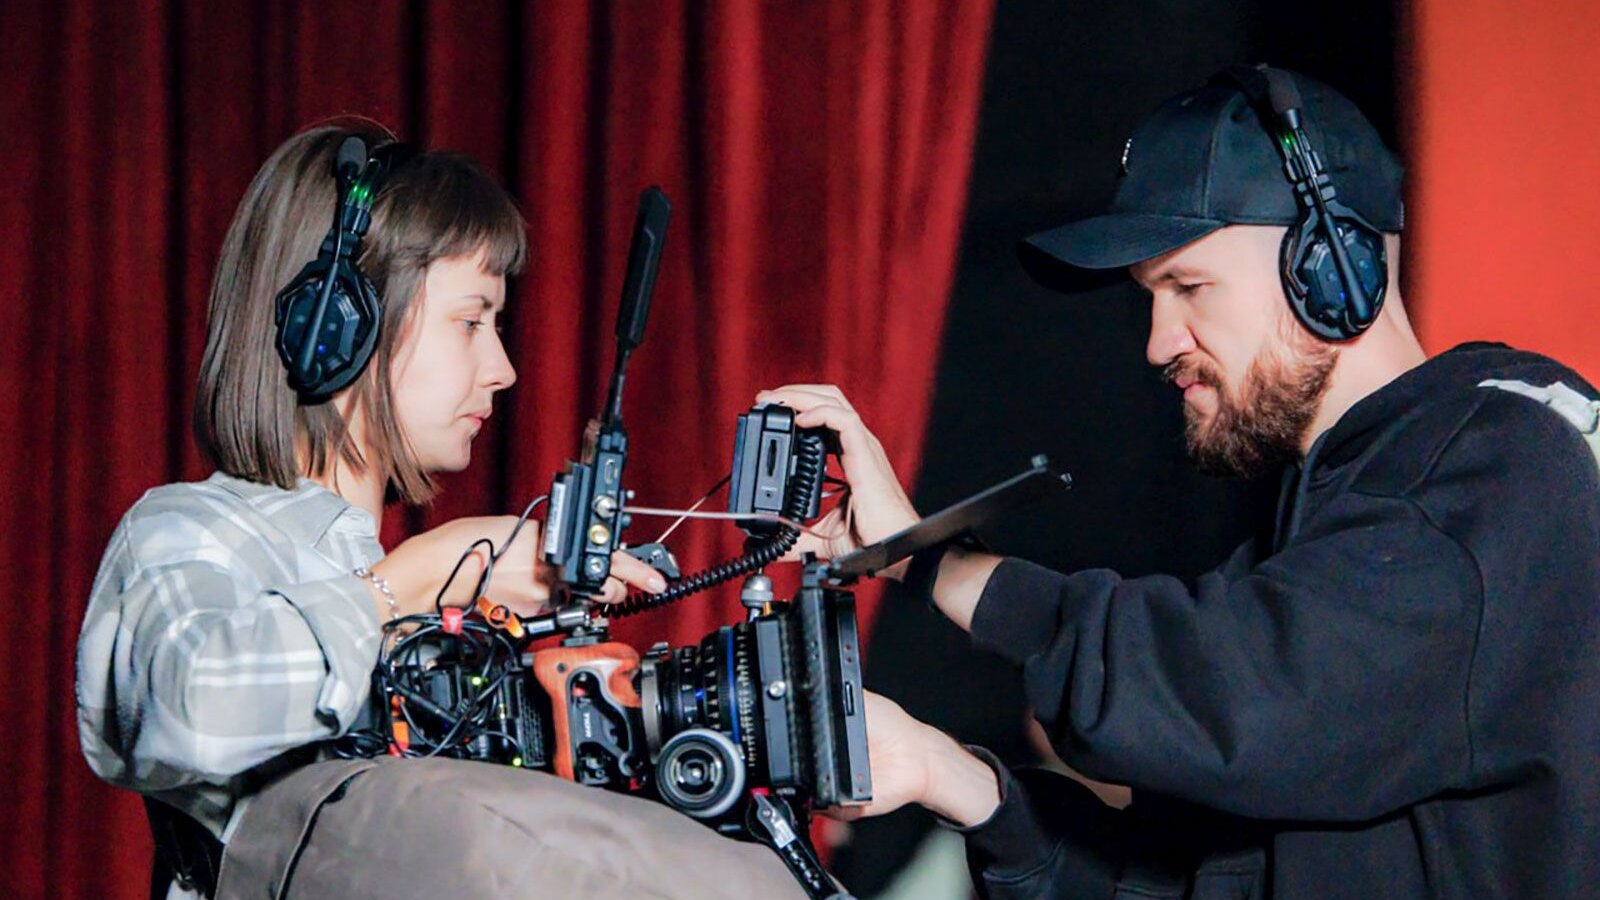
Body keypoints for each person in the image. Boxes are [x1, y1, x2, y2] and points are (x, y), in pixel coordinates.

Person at [777, 66, 1600, 898]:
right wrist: (945, 773)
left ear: (1332, 269)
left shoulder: (1503, 466)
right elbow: (1202, 877)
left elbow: (1240, 701)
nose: (1159, 341)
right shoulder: (1333, 530)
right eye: (1151, 297)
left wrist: (937, 563)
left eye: (1189, 286)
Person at [76, 122, 803, 899]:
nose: (503, 368)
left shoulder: (442, 603)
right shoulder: (188, 530)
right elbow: (189, 709)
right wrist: (409, 582)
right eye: (470, 321)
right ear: (338, 326)